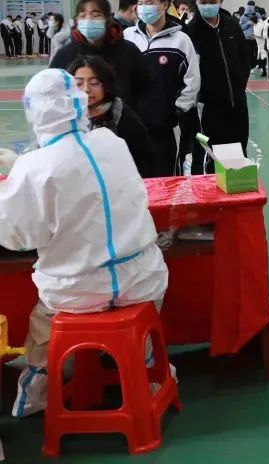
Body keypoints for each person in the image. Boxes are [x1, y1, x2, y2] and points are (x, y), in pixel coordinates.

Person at [0, 69, 168, 417]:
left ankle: (34, 401)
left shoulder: (33, 167)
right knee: (141, 325)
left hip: (77, 291)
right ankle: (153, 380)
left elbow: (17, 237)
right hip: (143, 280)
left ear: (34, 112)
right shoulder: (112, 142)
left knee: (44, 325)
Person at [124, 0, 201, 177]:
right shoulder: (128, 37)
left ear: (165, 5)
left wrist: (178, 110)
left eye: (149, 3)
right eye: (140, 3)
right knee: (135, 177)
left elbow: (192, 80)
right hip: (132, 125)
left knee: (167, 177)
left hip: (166, 127)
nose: (143, 8)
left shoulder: (181, 40)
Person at [184, 0, 251, 174]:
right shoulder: (190, 32)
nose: (208, 6)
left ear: (221, 1)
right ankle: (208, 189)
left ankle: (234, 187)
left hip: (237, 102)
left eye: (212, 1)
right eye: (203, 2)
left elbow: (244, 58)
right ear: (196, 2)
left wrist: (239, 86)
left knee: (238, 151)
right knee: (209, 154)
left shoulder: (232, 25)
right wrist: (201, 97)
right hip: (207, 107)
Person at [51, 0, 154, 107]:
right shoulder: (65, 54)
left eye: (96, 15)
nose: (88, 20)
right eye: (82, 16)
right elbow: (52, 91)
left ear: (107, 19)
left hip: (122, 116)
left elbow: (146, 88)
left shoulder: (128, 51)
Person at [67, 56, 156, 177]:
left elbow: (145, 162)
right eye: (78, 83)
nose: (86, 89)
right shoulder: (63, 115)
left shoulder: (121, 114)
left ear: (106, 84)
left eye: (94, 83)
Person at [239, 0, 259, 69]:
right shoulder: (243, 17)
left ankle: (255, 66)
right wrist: (248, 23)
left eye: (252, 6)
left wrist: (256, 23)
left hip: (256, 37)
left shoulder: (257, 15)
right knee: (248, 53)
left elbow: (262, 24)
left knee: (256, 53)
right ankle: (249, 67)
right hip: (247, 38)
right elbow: (240, 28)